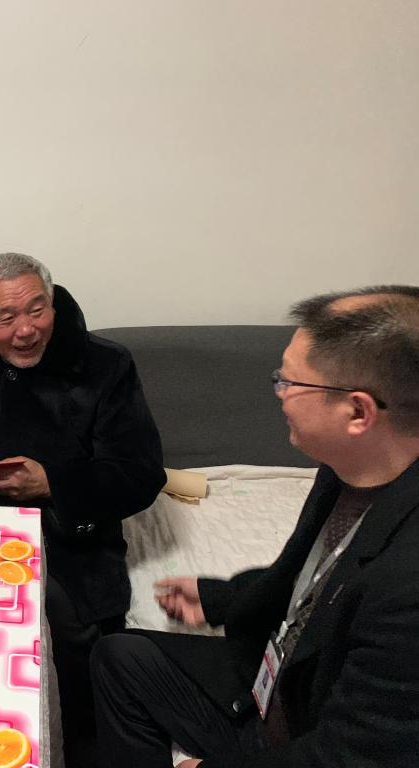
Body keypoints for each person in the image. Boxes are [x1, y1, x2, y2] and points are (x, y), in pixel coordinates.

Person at [91, 286, 419, 768]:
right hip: (270, 686)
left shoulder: (407, 585)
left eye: (289, 382)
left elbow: (353, 754)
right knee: (118, 657)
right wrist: (222, 598)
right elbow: (311, 582)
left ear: (357, 412)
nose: (278, 394)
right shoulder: (346, 467)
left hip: (309, 731)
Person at [0, 252, 166, 767]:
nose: (26, 330)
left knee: (73, 646)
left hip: (68, 535)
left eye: (37, 310)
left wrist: (54, 484)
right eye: (6, 317)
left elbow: (141, 475)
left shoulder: (105, 365)